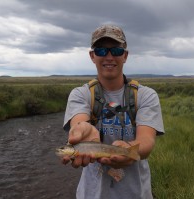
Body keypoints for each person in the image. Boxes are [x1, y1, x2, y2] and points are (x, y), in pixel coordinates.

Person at [62, 24, 164, 199]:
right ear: (92, 56)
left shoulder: (146, 95)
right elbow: (79, 123)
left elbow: (146, 141)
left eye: (116, 50)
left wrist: (130, 150)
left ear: (125, 55)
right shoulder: (80, 94)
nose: (109, 56)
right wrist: (81, 130)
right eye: (101, 51)